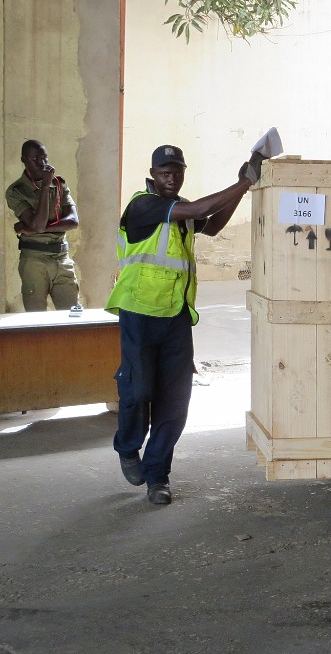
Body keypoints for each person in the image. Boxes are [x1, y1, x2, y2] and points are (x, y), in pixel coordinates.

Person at [106, 145, 254, 505]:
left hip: (175, 316)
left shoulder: (181, 209)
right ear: (153, 174)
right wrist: (246, 183)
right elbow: (202, 208)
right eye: (165, 172)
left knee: (174, 403)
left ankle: (158, 477)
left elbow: (213, 223)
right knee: (138, 391)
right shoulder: (144, 205)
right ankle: (128, 448)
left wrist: (240, 186)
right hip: (139, 313)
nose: (171, 177)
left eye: (177, 171)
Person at [5, 139, 80, 311]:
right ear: (23, 160)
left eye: (44, 157)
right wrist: (45, 186)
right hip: (34, 259)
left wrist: (34, 229)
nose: (42, 163)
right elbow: (37, 224)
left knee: (72, 316)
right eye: (35, 158)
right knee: (36, 320)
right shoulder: (16, 191)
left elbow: (73, 222)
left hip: (62, 258)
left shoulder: (59, 185)